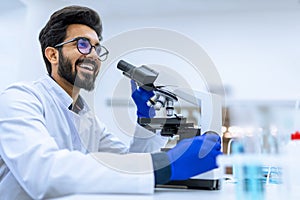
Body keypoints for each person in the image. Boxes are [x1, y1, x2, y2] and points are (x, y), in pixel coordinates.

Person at [0, 5, 222, 200]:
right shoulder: (20, 99)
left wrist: (146, 123)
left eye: (97, 48)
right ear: (53, 55)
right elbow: (43, 173)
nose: (94, 56)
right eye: (83, 45)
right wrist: (164, 165)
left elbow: (125, 164)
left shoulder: (86, 117)